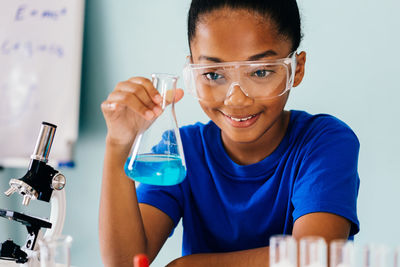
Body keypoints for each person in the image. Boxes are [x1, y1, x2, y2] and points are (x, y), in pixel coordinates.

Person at [99, 0, 360, 266]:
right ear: (192, 72)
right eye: (213, 75)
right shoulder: (182, 151)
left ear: (297, 69)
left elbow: (314, 257)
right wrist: (118, 143)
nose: (236, 100)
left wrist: (186, 265)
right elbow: (125, 262)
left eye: (260, 72)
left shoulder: (324, 143)